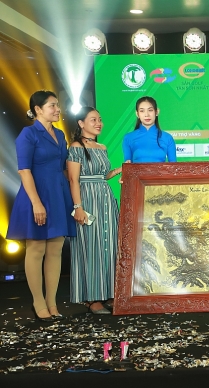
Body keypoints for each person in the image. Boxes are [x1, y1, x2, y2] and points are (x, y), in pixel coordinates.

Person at [6, 90, 77, 322]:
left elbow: (64, 168)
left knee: (55, 250)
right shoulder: (28, 134)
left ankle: (52, 302)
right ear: (38, 109)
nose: (57, 109)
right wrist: (37, 203)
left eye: (58, 105)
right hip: (36, 196)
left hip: (58, 195)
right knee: (36, 249)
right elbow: (24, 171)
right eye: (52, 105)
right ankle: (38, 302)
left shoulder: (60, 134)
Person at [67, 107, 121, 315]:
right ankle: (91, 298)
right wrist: (78, 207)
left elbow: (103, 175)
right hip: (87, 199)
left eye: (100, 119)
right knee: (90, 247)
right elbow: (73, 179)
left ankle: (110, 293)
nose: (98, 123)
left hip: (105, 198)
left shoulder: (102, 147)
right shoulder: (76, 147)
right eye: (93, 120)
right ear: (81, 123)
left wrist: (120, 170)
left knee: (109, 246)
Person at [122, 96, 176, 163]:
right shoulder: (128, 138)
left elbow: (174, 167)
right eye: (142, 111)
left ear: (157, 112)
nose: (146, 115)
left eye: (150, 110)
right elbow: (127, 165)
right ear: (137, 114)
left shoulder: (167, 138)